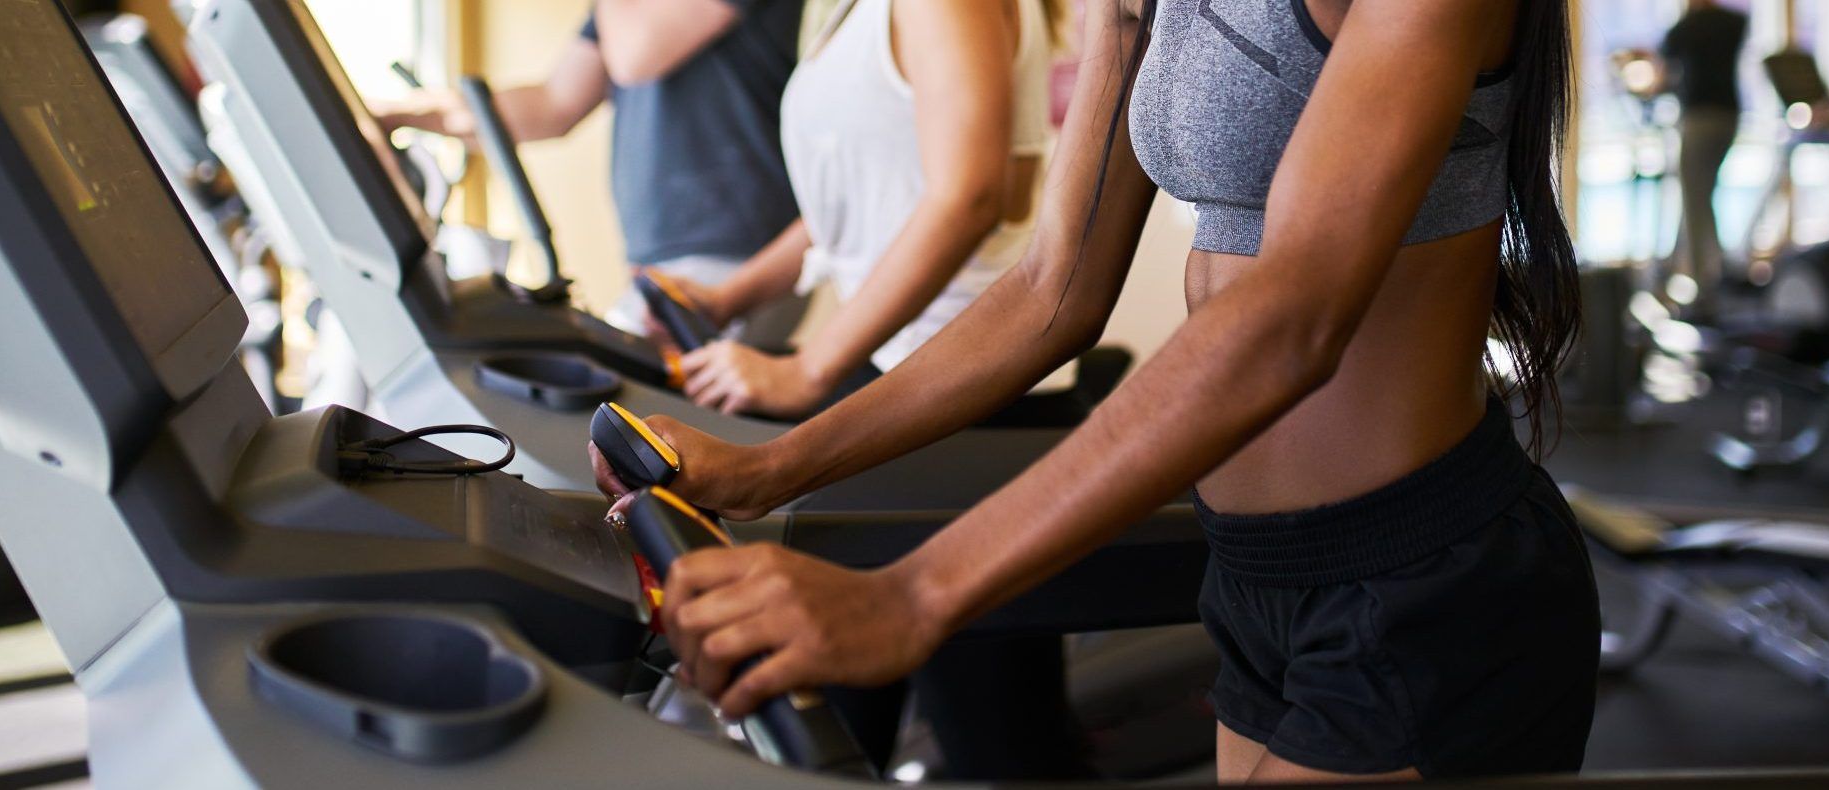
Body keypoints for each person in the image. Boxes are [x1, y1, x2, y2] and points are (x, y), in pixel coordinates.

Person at [598, 0, 1598, 781]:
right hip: (1252, 572)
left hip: (1420, 575)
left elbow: (1292, 318)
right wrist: (772, 465)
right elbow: (1050, 288)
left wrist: (912, 594)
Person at [653, 0, 1060, 419]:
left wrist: (808, 370)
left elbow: (967, 199)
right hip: (909, 359)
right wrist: (727, 300)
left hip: (955, 372)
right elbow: (866, 198)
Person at [373, 0, 810, 348]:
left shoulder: (626, 17)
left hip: (740, 261)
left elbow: (636, 55)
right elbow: (552, 104)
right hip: (672, 263)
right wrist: (401, 115)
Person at [1660, 0, 1747, 302]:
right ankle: (1713, 268)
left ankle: (1702, 283)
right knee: (1705, 195)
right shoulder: (1734, 23)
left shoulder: (1686, 27)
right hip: (1729, 115)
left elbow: (1665, 57)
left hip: (1699, 116)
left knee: (1695, 199)